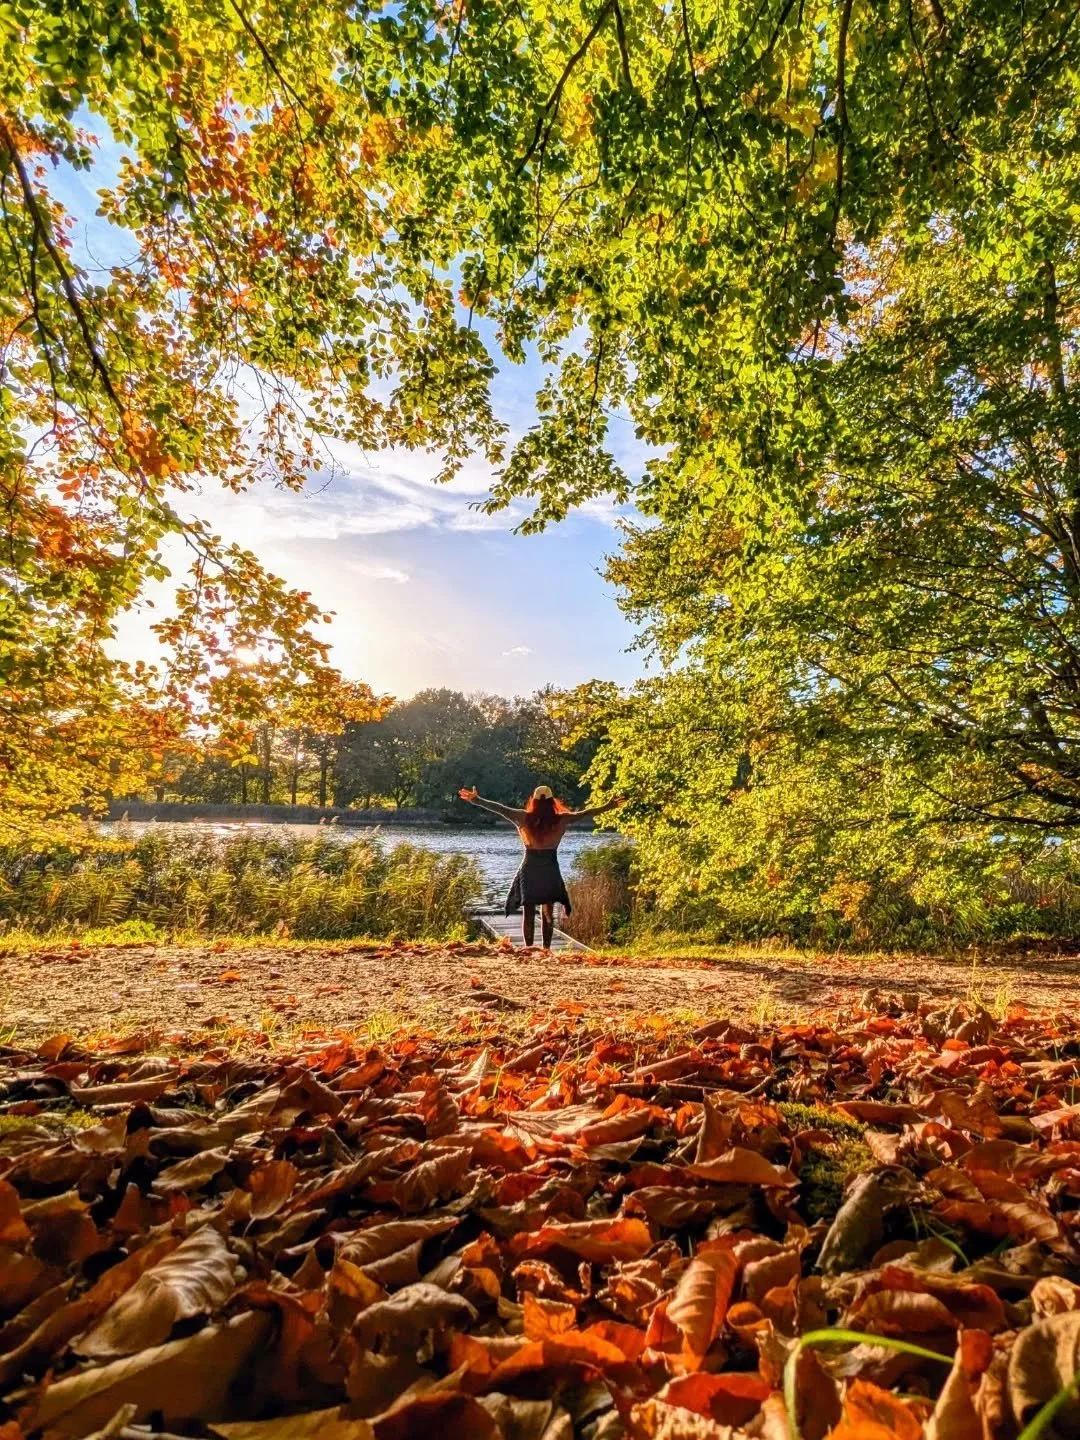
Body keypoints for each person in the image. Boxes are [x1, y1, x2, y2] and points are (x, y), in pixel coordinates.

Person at [458, 784, 624, 949]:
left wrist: (476, 800)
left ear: (534, 801)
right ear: (552, 801)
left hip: (530, 867)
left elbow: (500, 808)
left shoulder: (522, 817)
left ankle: (529, 949)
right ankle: (546, 950)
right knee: (548, 912)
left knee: (528, 912)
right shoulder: (562, 819)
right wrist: (608, 806)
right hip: (550, 867)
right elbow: (586, 813)